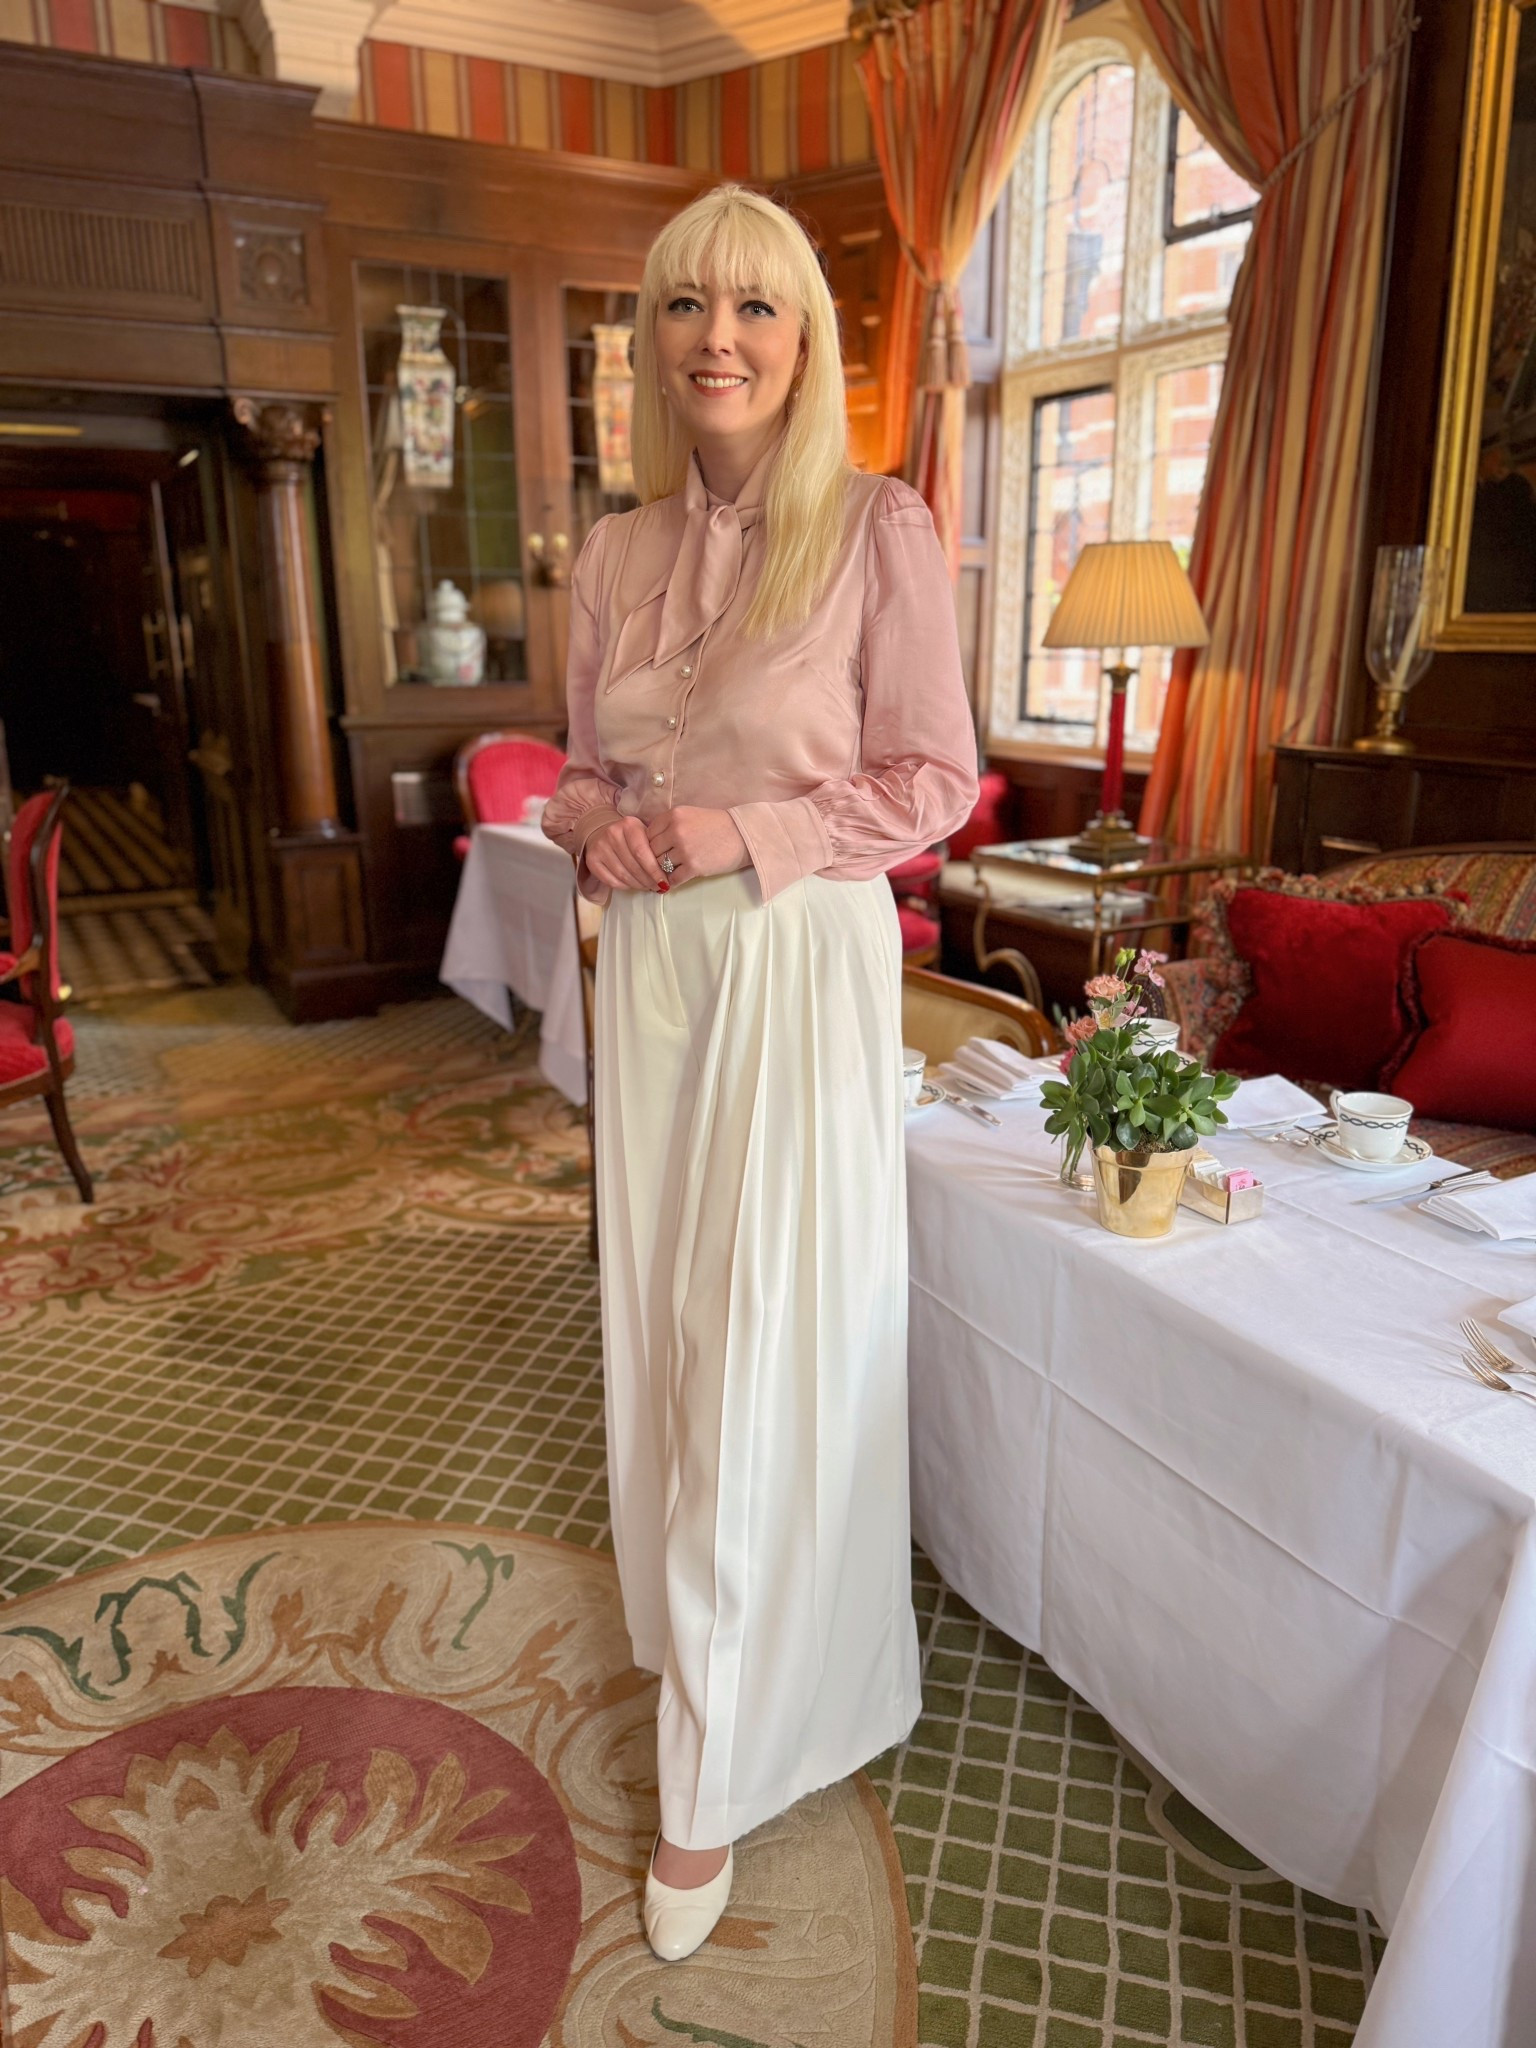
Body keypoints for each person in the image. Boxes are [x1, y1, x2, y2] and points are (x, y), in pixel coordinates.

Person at [543, 183, 979, 1964]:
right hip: (651, 968)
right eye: (683, 306)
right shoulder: (612, 552)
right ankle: (697, 1639)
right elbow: (575, 774)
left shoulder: (879, 527)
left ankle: (713, 1768)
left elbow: (934, 780)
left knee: (762, 1343)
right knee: (661, 1322)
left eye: (759, 308)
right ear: (649, 339)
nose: (717, 337)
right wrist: (602, 833)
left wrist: (743, 828)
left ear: (807, 343)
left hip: (796, 961)